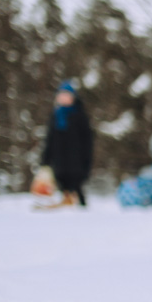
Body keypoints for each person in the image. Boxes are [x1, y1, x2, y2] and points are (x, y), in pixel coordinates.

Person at [39, 81, 93, 209]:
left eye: (66, 95)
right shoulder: (56, 116)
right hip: (59, 160)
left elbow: (87, 140)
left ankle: (82, 211)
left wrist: (86, 161)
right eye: (61, 95)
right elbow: (50, 139)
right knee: (63, 186)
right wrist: (45, 160)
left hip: (76, 160)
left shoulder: (80, 115)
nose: (63, 98)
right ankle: (66, 207)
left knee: (76, 187)